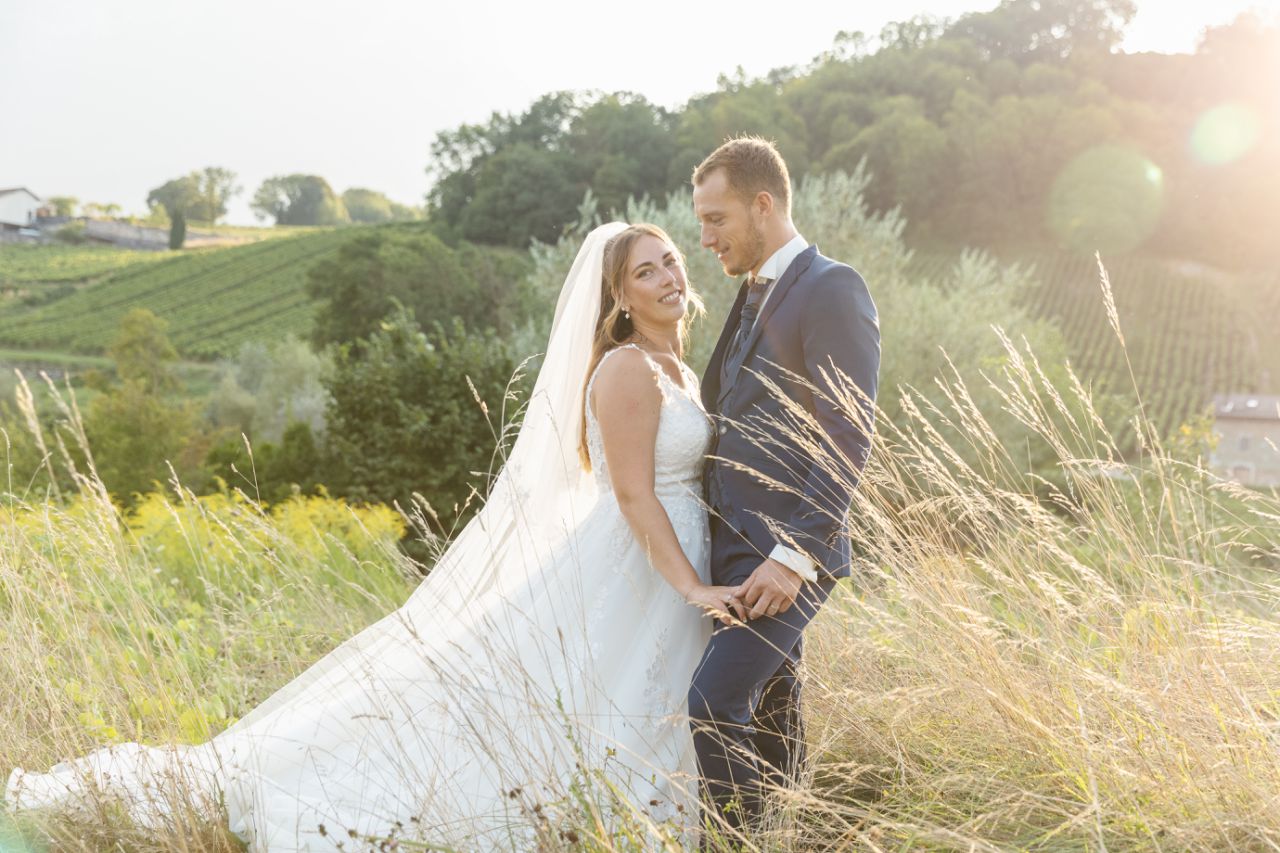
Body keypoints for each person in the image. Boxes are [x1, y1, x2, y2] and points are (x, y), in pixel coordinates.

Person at [4, 222, 740, 851]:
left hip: (665, 567)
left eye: (670, 259)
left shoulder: (676, 367)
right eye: (646, 271)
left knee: (625, 702)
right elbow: (634, 492)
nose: (668, 275)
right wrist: (693, 586)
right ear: (619, 297)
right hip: (644, 563)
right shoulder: (625, 369)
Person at [688, 136, 881, 833]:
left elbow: (848, 435)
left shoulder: (832, 287)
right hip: (732, 550)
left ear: (762, 205)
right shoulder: (750, 295)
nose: (705, 238)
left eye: (717, 219)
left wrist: (794, 554)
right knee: (774, 717)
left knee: (713, 703)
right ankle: (795, 834)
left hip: (786, 555)